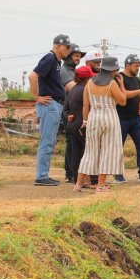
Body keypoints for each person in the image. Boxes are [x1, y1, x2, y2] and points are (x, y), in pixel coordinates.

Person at [76, 56, 127, 193]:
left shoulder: (90, 83)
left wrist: (85, 121)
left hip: (93, 118)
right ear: (114, 70)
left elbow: (86, 105)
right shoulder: (112, 84)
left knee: (90, 151)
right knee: (107, 152)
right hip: (110, 118)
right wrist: (122, 85)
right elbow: (122, 101)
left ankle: (78, 185)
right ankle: (100, 186)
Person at [29, 34, 71, 186]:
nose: (69, 50)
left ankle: (43, 175)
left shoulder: (56, 62)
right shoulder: (49, 59)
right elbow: (32, 77)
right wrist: (37, 97)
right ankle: (41, 176)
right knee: (46, 142)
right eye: (67, 47)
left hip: (54, 105)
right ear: (58, 46)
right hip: (49, 104)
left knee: (49, 141)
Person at [113, 53, 140, 184]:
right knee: (119, 146)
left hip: (135, 118)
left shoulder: (136, 80)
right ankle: (117, 174)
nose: (138, 69)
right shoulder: (119, 78)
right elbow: (122, 94)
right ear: (127, 65)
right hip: (121, 118)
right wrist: (139, 91)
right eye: (136, 66)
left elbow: (139, 98)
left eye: (139, 66)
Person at [65, 65, 94, 192]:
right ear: (86, 79)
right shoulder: (85, 90)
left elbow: (65, 108)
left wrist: (68, 116)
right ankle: (93, 180)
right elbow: (90, 107)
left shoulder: (72, 90)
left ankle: (78, 180)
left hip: (72, 125)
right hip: (82, 126)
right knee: (91, 151)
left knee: (77, 154)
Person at [60, 43, 85, 184]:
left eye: (79, 57)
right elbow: (74, 88)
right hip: (68, 110)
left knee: (72, 142)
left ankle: (70, 172)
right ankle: (70, 172)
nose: (78, 59)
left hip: (72, 109)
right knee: (72, 142)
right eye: (76, 56)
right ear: (68, 56)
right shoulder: (64, 70)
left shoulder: (72, 70)